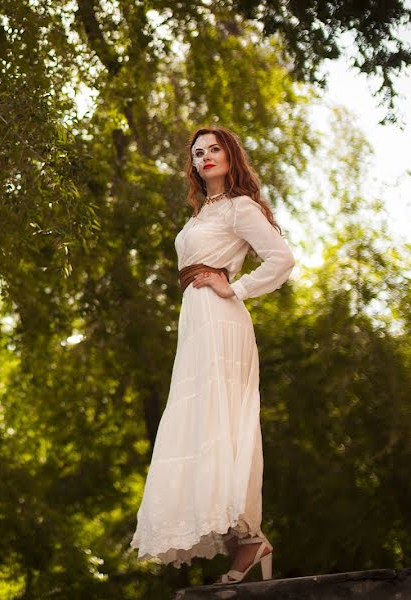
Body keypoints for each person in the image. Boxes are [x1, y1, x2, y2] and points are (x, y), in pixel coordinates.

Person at [129, 126, 295, 585]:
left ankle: (249, 538)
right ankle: (240, 540)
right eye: (197, 152)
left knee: (225, 421)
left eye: (213, 149)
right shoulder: (202, 214)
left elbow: (281, 259)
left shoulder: (241, 208)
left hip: (222, 319)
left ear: (230, 155)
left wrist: (235, 287)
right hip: (196, 321)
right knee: (203, 421)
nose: (204, 157)